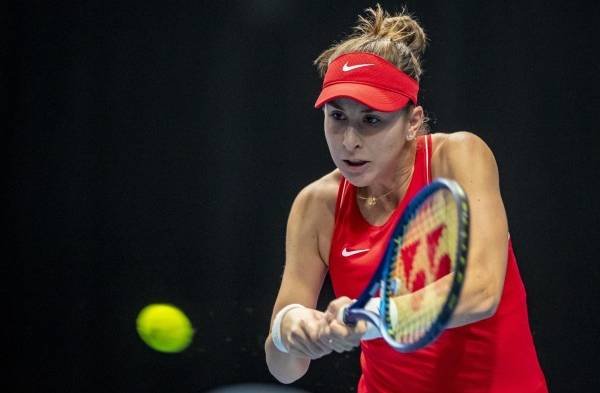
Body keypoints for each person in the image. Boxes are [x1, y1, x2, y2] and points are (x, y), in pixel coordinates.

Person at [264, 5, 548, 393]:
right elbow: (286, 368)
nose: (349, 140)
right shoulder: (316, 204)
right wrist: (292, 329)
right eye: (337, 117)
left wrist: (374, 317)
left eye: (371, 119)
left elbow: (481, 290)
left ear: (413, 121)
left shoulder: (457, 157)